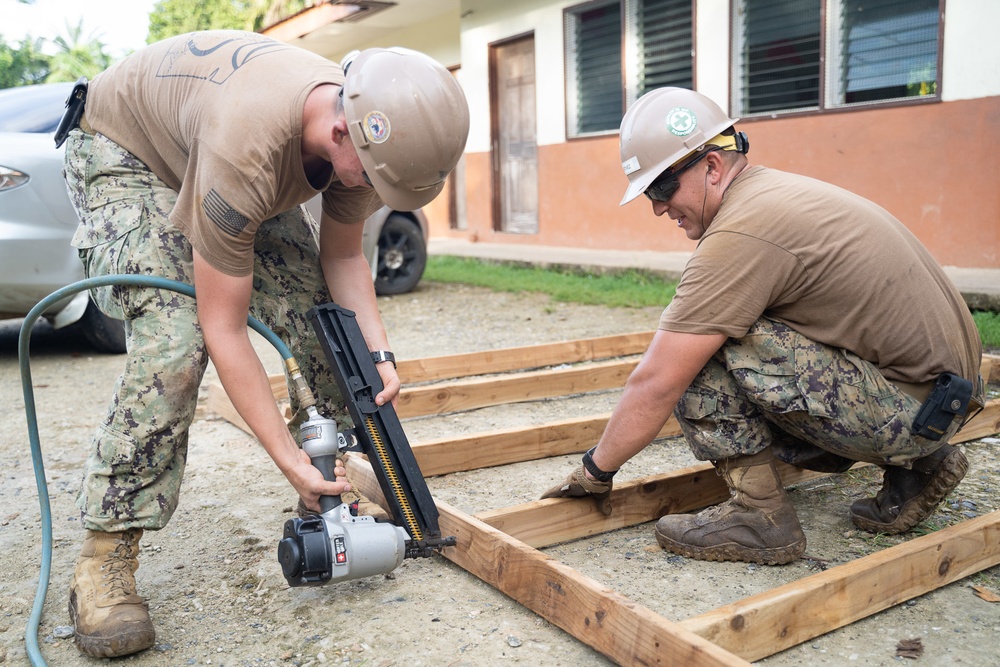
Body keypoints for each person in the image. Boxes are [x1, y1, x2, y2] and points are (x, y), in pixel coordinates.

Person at [59, 30, 469, 658]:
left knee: (326, 326)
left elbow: (340, 256)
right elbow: (225, 328)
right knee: (178, 337)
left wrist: (378, 353)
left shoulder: (367, 126)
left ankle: (331, 486)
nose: (380, 198)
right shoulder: (247, 148)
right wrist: (282, 454)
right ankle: (105, 557)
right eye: (383, 184)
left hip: (217, 144)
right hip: (129, 154)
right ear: (339, 136)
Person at [542, 87, 983, 568]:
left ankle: (759, 518)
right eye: (649, 193)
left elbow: (657, 380)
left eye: (661, 189)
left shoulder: (740, 233)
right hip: (942, 401)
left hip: (908, 413)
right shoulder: (777, 193)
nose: (658, 207)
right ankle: (920, 467)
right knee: (732, 327)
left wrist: (596, 470)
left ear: (712, 167)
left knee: (702, 349)